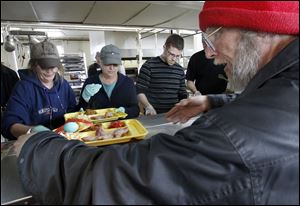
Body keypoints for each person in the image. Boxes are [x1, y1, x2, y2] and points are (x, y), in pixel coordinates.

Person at [13, 1, 299, 204]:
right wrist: (214, 101)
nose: (210, 55)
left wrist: (37, 147)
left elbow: (129, 180)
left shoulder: (239, 132)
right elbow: (268, 105)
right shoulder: (284, 90)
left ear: (260, 27)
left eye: (214, 35)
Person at [1, 41, 77, 140]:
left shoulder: (63, 85)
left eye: (53, 66)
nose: (49, 71)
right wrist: (31, 131)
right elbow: (9, 125)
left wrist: (84, 103)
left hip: (63, 141)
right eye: (44, 66)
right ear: (34, 65)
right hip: (36, 145)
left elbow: (73, 111)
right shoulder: (24, 88)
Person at [78, 44, 139, 118]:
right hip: (97, 127)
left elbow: (136, 109)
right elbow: (79, 111)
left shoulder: (127, 83)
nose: (111, 68)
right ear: (100, 62)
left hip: (122, 125)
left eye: (115, 65)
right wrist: (85, 100)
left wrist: (125, 111)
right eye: (108, 64)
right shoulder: (90, 82)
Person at [136, 34, 188, 115]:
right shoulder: (149, 66)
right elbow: (139, 91)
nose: (174, 59)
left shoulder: (179, 70)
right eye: (171, 54)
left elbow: (182, 93)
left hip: (174, 115)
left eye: (177, 56)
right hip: (153, 115)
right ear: (164, 48)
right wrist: (148, 106)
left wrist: (183, 102)